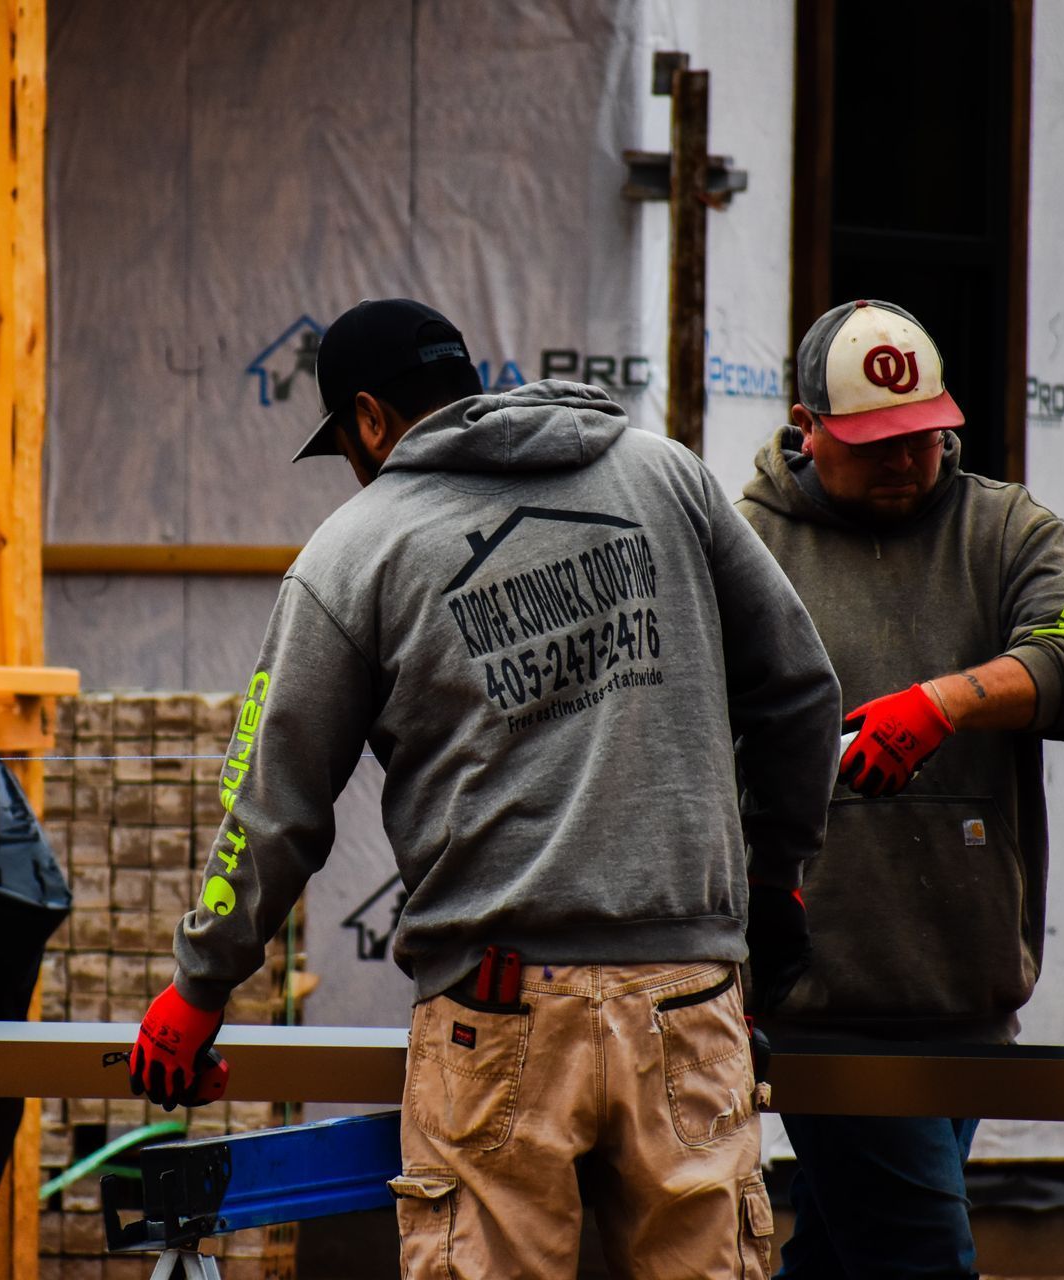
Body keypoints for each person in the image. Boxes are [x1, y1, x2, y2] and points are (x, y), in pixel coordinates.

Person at [128, 298, 842, 1277]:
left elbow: (274, 806)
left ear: (370, 418)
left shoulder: (354, 550)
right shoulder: (666, 477)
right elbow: (802, 690)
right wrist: (776, 883)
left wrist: (199, 985)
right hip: (689, 996)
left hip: (497, 1013)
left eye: (345, 439)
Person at [736, 299, 1064, 1279]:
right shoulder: (745, 546)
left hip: (965, 987)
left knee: (840, 1257)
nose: (905, 460)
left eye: (922, 436)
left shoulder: (1008, 528)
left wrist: (944, 703)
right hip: (825, 995)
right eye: (874, 443)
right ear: (807, 423)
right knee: (921, 1261)